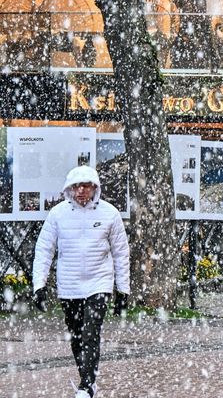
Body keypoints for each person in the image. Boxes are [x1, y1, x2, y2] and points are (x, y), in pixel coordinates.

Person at [32, 165, 131, 398]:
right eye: (76, 186)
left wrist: (123, 290)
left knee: (90, 332)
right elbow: (44, 250)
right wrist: (39, 286)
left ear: (95, 187)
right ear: (69, 189)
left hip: (99, 283)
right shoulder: (57, 214)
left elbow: (120, 252)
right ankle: (88, 379)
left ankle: (86, 385)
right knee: (76, 336)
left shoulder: (110, 214)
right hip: (69, 285)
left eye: (86, 186)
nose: (81, 191)